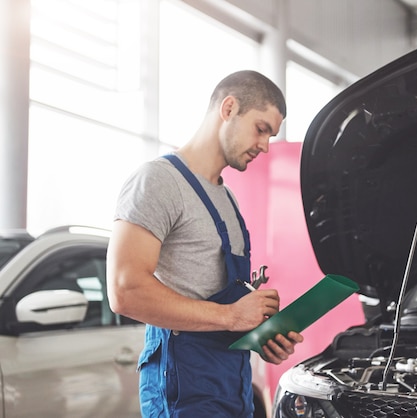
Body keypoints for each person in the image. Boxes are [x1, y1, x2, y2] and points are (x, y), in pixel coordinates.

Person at [106, 70, 303, 417]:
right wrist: (231, 315)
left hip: (231, 384)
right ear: (228, 108)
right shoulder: (157, 181)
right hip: (183, 388)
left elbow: (214, 296)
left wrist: (261, 334)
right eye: (261, 129)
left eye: (271, 136)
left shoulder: (228, 199)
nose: (265, 146)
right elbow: (125, 290)